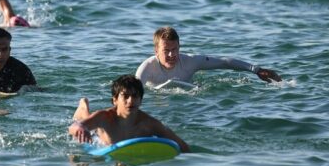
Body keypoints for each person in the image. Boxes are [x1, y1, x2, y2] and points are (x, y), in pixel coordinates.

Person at [69, 75, 190, 151]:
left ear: (141, 100)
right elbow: (73, 128)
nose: (131, 101)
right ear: (115, 100)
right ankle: (83, 106)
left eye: (135, 96)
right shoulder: (105, 117)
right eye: (125, 96)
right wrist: (79, 127)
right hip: (100, 138)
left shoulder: (148, 123)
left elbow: (180, 145)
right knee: (86, 119)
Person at [135, 26, 282, 87]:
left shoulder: (190, 61)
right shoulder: (147, 69)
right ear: (156, 51)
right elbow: (134, 94)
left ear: (179, 47)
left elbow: (224, 63)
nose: (172, 55)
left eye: (175, 49)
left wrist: (256, 69)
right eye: (166, 50)